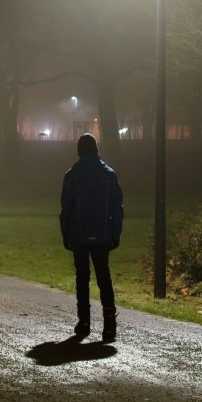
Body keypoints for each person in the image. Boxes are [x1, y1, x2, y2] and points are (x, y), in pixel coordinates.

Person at [59, 133, 124, 341]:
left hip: (79, 233)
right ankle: (109, 324)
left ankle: (84, 321)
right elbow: (117, 207)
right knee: (104, 276)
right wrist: (115, 232)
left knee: (82, 277)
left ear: (79, 150)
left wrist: (65, 233)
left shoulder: (72, 175)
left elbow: (66, 208)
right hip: (103, 233)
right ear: (96, 149)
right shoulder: (109, 174)